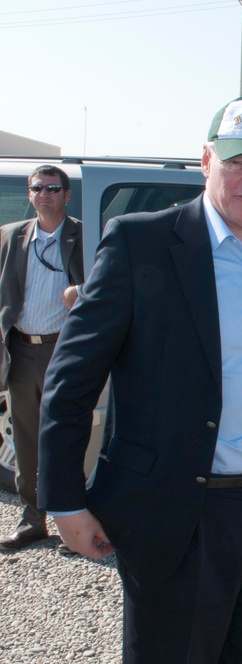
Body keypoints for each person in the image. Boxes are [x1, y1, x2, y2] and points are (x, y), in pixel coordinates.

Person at [37, 95, 242, 663]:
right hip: (178, 514)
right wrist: (65, 501)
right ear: (206, 161)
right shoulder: (140, 242)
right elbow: (70, 382)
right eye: (238, 163)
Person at [0, 165, 83, 553]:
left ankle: (75, 529)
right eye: (38, 187)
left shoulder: (84, 235)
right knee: (27, 440)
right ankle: (32, 523)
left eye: (53, 188)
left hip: (63, 349)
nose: (44, 193)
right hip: (19, 348)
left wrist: (78, 295)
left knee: (67, 438)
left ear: (67, 195)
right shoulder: (11, 235)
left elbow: (103, 287)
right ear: (29, 193)